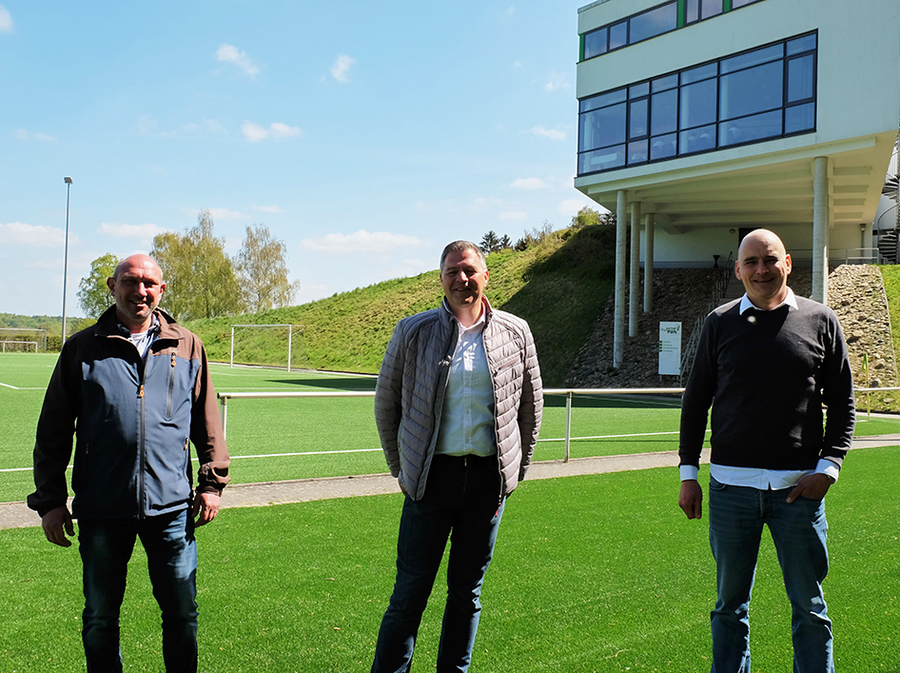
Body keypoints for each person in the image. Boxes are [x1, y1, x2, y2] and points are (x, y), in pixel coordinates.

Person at [28, 253, 230, 673]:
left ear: (162, 290)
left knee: (182, 615)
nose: (140, 291)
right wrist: (50, 501)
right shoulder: (82, 348)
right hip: (102, 509)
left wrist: (212, 483)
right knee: (101, 618)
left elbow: (206, 421)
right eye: (130, 281)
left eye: (149, 283)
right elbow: (52, 431)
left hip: (171, 509)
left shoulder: (188, 345)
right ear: (112, 286)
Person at [678, 229, 855, 673]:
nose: (761, 269)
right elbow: (696, 400)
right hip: (730, 491)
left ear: (788, 263)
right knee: (728, 608)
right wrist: (687, 474)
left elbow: (843, 401)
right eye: (751, 262)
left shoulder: (821, 320)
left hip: (799, 491)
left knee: (810, 608)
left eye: (770, 259)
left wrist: (829, 467)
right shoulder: (719, 322)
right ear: (737, 270)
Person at [371, 240, 543, 673]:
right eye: (452, 271)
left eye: (469, 270)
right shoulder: (412, 331)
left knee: (466, 594)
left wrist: (512, 475)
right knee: (409, 594)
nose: (461, 279)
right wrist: (404, 469)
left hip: (486, 484)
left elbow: (530, 408)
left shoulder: (516, 332)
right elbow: (386, 404)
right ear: (441, 279)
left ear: (485, 276)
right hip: (430, 480)